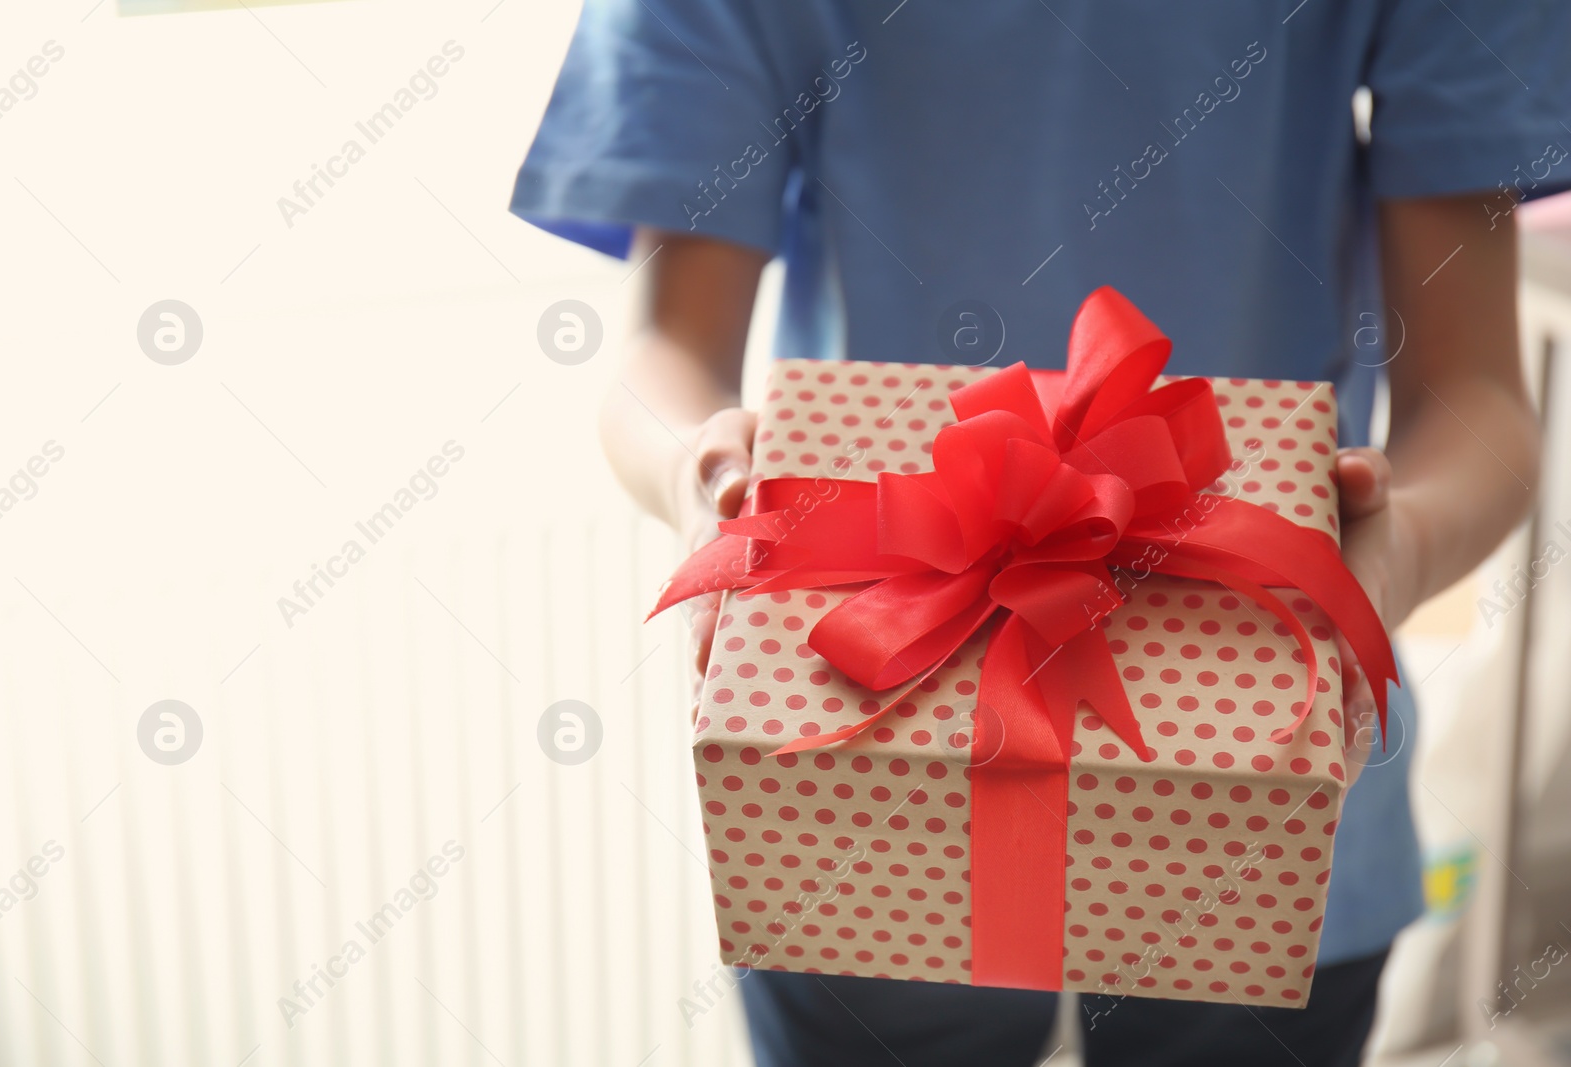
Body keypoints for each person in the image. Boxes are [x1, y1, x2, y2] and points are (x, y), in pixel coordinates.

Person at [511, 2, 1570, 1063]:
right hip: (863, 767)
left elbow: (1474, 391)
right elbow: (663, 352)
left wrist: (1383, 567)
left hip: (1271, 761)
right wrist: (706, 479)